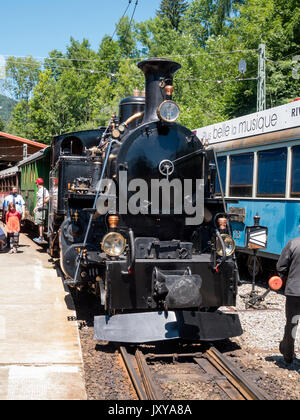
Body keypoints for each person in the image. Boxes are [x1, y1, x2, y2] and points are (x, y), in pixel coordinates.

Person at [276, 237, 300, 364]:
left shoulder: (294, 243)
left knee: (292, 323)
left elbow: (281, 266)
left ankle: (288, 355)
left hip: (295, 292)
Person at [33, 178, 49, 245]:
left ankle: (41, 237)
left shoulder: (44, 190)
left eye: (36, 183)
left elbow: (48, 197)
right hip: (39, 208)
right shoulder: (39, 190)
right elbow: (38, 200)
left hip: (42, 209)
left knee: (41, 223)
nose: (36, 184)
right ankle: (40, 236)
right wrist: (35, 207)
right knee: (39, 223)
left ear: (38, 183)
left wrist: (43, 203)